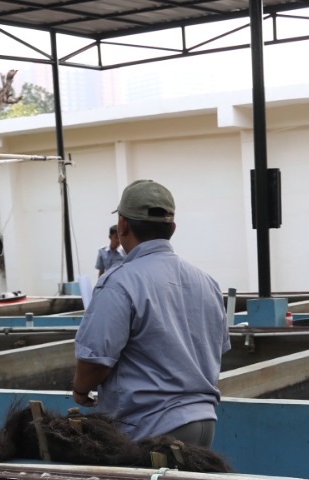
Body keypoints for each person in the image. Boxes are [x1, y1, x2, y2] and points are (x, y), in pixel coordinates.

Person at [73, 180, 228, 446]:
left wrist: (80, 390)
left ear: (122, 225)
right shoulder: (206, 281)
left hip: (151, 430)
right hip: (204, 423)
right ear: (173, 228)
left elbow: (96, 359)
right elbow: (218, 348)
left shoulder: (120, 282)